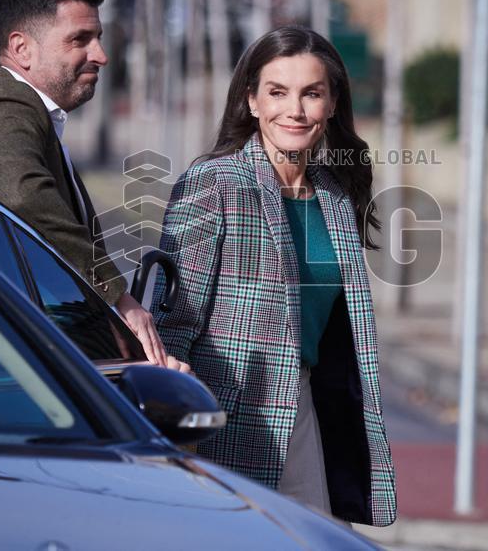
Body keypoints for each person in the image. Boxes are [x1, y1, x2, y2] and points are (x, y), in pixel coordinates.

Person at [152, 26, 396, 526]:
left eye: (312, 93)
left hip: (307, 411)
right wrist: (173, 426)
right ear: (252, 101)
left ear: (332, 103)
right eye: (278, 92)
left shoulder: (335, 194)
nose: (295, 110)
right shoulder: (214, 182)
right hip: (225, 423)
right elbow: (173, 320)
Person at [0, 0, 182, 371]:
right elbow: (24, 197)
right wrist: (119, 297)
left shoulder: (28, 112)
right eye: (80, 39)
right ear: (22, 49)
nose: (100, 55)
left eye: (98, 38)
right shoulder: (2, 105)